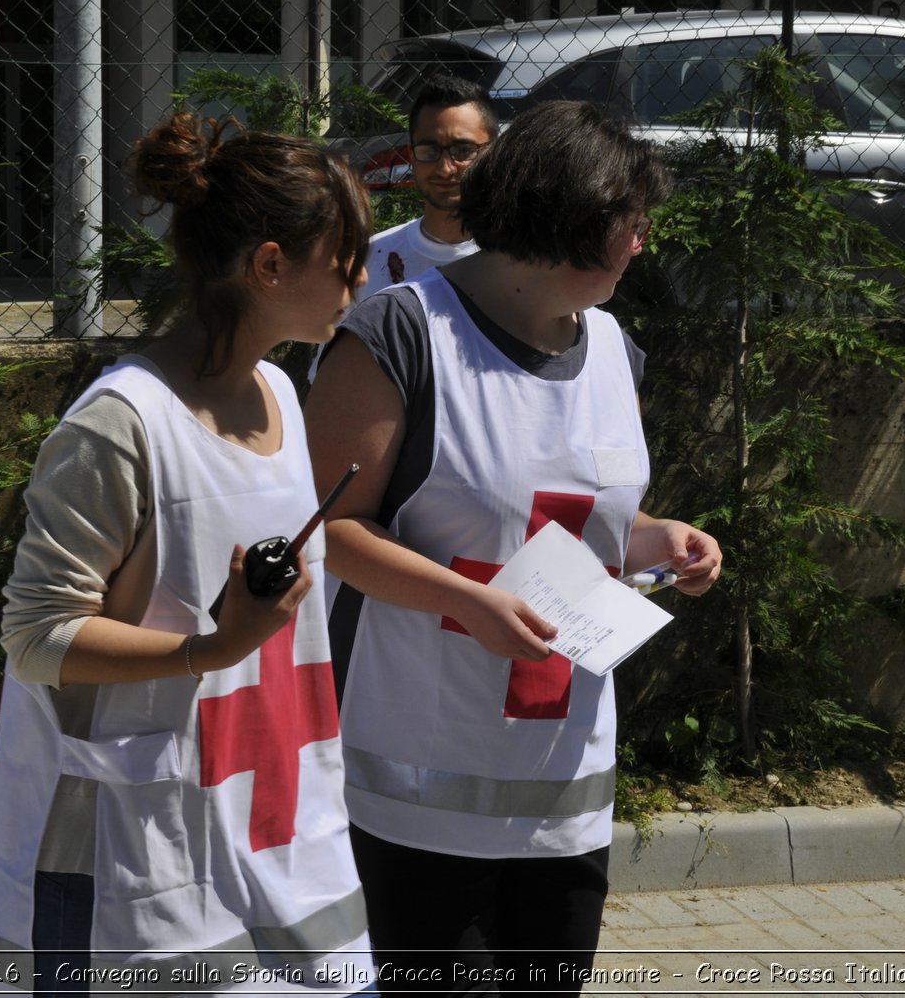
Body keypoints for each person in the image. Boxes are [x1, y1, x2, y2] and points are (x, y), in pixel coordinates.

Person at [304, 100, 723, 996]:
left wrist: (667, 539)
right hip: (423, 797)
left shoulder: (614, 349)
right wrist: (465, 599)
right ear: (572, 223)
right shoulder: (400, 335)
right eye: (631, 225)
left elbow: (584, 525)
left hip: (565, 794)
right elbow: (329, 529)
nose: (642, 246)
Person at [0, 112, 377, 996]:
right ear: (269, 266)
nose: (360, 274)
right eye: (342, 255)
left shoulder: (280, 388)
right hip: (142, 876)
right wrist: (212, 648)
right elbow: (36, 636)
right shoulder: (118, 424)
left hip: (288, 833)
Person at [363, 74, 499, 298]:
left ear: (494, 151)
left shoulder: (525, 260)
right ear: (411, 155)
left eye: (463, 151)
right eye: (429, 151)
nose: (445, 169)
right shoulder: (369, 259)